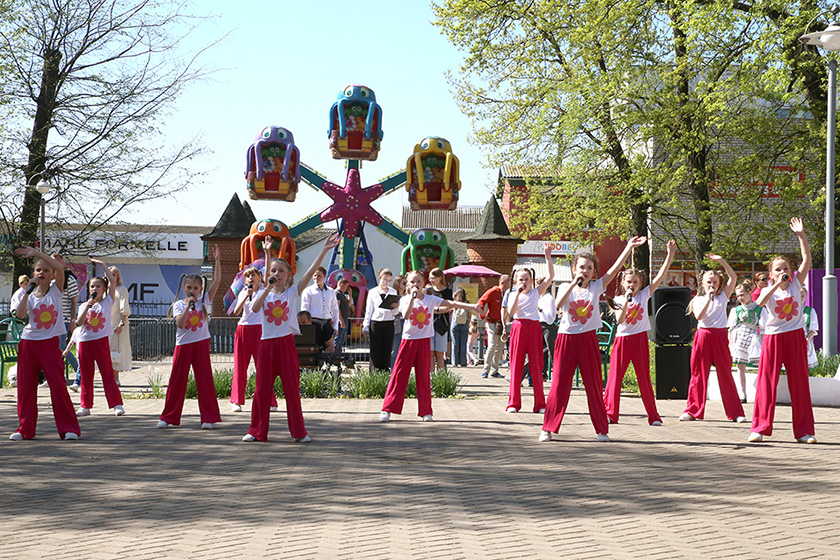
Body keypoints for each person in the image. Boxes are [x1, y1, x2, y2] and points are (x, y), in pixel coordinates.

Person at [540, 237, 646, 443]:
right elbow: (560, 305)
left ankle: (601, 429)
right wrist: (572, 284)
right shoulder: (564, 287)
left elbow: (614, 270)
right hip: (566, 339)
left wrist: (629, 247)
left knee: (594, 385)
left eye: (589, 268)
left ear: (594, 272)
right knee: (559, 385)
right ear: (573, 269)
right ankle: (548, 428)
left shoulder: (597, 286)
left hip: (588, 340)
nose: (585, 271)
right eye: (581, 267)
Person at [243, 233, 340, 442]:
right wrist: (267, 285)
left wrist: (324, 250)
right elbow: (256, 308)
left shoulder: (292, 293)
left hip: (286, 345)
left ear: (288, 275)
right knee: (261, 390)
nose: (276, 274)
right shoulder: (263, 293)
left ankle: (299, 432)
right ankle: (256, 430)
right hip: (266, 346)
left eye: (281, 271)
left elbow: (310, 272)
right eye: (273, 271)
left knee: (291, 390)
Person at [379, 270, 478, 423]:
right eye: (412, 282)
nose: (415, 285)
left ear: (424, 283)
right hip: (408, 341)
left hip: (424, 341)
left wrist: (473, 306)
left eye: (418, 281)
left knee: (424, 377)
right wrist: (412, 297)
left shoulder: (431, 299)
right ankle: (387, 409)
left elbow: (451, 303)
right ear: (407, 284)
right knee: (399, 375)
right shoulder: (404, 300)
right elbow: (405, 315)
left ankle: (426, 411)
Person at [749, 218, 816, 443]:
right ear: (771, 273)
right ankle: (759, 428)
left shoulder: (797, 284)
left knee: (799, 383)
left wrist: (801, 235)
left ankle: (805, 432)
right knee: (766, 383)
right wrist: (777, 284)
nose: (783, 272)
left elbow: (807, 259)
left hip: (796, 337)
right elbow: (759, 303)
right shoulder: (767, 290)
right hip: (773, 338)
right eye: (778, 269)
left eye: (786, 268)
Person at [603, 239, 677, 426]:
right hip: (623, 341)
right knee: (615, 379)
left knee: (644, 378)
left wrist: (670, 255)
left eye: (636, 282)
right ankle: (611, 413)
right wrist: (627, 300)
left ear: (640, 283)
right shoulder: (619, 299)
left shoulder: (644, 294)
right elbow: (620, 320)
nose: (632, 284)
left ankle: (653, 416)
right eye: (629, 281)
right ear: (623, 283)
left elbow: (660, 277)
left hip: (640, 339)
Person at [10, 246, 80, 440]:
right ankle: (24, 429)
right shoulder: (29, 295)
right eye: (38, 270)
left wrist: (37, 254)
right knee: (25, 388)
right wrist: (26, 291)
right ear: (33, 274)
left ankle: (69, 429)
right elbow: (21, 314)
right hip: (28, 344)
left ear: (52, 276)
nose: (42, 273)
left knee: (58, 385)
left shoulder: (57, 291)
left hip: (49, 344)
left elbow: (59, 268)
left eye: (46, 270)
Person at [157, 245, 222, 430]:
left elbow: (217, 282)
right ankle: (168, 417)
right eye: (189, 288)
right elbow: (180, 323)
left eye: (195, 288)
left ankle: (208, 418)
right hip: (183, 345)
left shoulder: (204, 301)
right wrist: (188, 306)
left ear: (200, 289)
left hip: (201, 343)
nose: (192, 290)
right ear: (184, 289)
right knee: (177, 381)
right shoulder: (178, 304)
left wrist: (216, 260)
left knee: (205, 380)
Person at [679, 255, 747, 424]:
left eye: (715, 282)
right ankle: (693, 410)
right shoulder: (698, 299)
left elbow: (734, 277)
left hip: (720, 336)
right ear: (702, 284)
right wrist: (709, 300)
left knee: (725, 374)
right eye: (709, 282)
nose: (712, 285)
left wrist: (722, 261)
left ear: (719, 284)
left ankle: (735, 412)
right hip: (703, 336)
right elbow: (700, 317)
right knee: (698, 374)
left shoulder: (723, 296)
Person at [506, 245, 554, 413]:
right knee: (516, 365)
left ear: (531, 281)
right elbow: (511, 312)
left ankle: (540, 404)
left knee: (536, 365)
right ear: (515, 282)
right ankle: (513, 403)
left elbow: (550, 277)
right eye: (521, 280)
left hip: (534, 328)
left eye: (526, 279)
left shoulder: (536, 293)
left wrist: (548, 258)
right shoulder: (513, 295)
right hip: (518, 327)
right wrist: (518, 294)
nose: (524, 282)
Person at [74, 258, 125, 417]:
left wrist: (102, 265)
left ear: (104, 289)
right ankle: (85, 406)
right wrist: (88, 306)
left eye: (98, 286)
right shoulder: (84, 305)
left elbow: (112, 280)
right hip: (85, 342)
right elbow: (79, 322)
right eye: (92, 286)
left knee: (107, 373)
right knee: (86, 374)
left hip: (100, 341)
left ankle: (116, 404)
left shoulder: (108, 302)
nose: (94, 288)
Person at [230, 267, 276, 413]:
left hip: (259, 330)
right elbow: (236, 311)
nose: (250, 278)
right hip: (243, 329)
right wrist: (245, 296)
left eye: (253, 275)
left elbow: (269, 269)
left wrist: (267, 253)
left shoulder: (264, 292)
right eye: (247, 276)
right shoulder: (243, 292)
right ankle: (236, 401)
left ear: (259, 277)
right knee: (240, 367)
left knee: (263, 367)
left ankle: (269, 400)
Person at [727, 282, 762, 403]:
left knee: (759, 365)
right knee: (740, 366)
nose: (740, 298)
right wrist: (730, 342)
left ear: (749, 293)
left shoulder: (759, 308)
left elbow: (763, 326)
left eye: (742, 294)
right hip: (740, 336)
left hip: (754, 338)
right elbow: (730, 328)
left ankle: (760, 393)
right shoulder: (736, 310)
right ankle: (742, 394)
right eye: (738, 296)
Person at [52, 253, 80, 388]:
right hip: (50, 320)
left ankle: (78, 372)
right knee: (53, 348)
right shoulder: (50, 279)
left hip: (64, 319)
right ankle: (53, 375)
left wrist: (73, 320)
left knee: (61, 347)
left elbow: (74, 301)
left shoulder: (69, 279)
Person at [363, 268, 399, 371]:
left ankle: (385, 371)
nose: (386, 282)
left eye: (389, 280)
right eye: (385, 279)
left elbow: (394, 313)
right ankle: (374, 371)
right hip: (376, 323)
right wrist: (366, 324)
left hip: (389, 323)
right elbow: (369, 310)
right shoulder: (373, 292)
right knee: (375, 349)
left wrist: (396, 307)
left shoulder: (393, 291)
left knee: (387, 348)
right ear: (380, 278)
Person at [477, 275, 510, 379]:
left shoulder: (508, 293)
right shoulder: (493, 291)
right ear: (503, 282)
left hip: (503, 323)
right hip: (492, 322)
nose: (510, 284)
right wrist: (482, 316)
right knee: (492, 345)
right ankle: (485, 370)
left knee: (500, 346)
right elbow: (481, 302)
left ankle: (494, 370)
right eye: (509, 282)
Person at [301, 267, 339, 353]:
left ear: (325, 277)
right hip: (314, 322)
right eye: (314, 276)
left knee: (330, 346)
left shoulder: (331, 291)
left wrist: (336, 326)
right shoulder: (308, 291)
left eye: (319, 276)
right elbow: (304, 309)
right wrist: (306, 326)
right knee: (314, 347)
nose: (316, 278)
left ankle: (325, 363)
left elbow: (335, 309)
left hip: (327, 322)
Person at [108, 266, 132, 386]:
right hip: (105, 324)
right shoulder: (103, 289)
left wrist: (121, 324)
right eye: (108, 274)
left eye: (113, 274)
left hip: (116, 323)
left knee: (115, 351)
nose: (110, 277)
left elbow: (125, 309)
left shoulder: (121, 290)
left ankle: (115, 378)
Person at [428, 268, 453, 371]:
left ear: (439, 278)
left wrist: (434, 309)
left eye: (433, 278)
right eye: (429, 278)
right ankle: (431, 376)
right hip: (429, 324)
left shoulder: (447, 291)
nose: (430, 280)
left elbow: (448, 308)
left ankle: (441, 378)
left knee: (440, 353)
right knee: (430, 353)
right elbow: (425, 306)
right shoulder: (428, 291)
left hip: (442, 324)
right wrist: (438, 309)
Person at [537, 277, 557, 380]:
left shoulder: (549, 299)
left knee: (551, 350)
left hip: (548, 326)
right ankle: (543, 372)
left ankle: (557, 373)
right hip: (540, 325)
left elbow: (551, 315)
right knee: (542, 350)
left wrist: (540, 310)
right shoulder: (540, 298)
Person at [450, 288, 471, 367]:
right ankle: (463, 362)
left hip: (455, 323)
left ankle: (454, 362)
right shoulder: (467, 302)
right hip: (464, 323)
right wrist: (468, 324)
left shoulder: (455, 302)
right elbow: (469, 315)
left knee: (455, 343)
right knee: (463, 343)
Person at [334, 278, 355, 353]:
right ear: (341, 285)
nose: (347, 289)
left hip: (345, 318)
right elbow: (337, 308)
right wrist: (341, 320)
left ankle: (339, 354)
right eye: (346, 287)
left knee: (342, 338)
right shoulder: (337, 294)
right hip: (341, 319)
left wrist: (350, 294)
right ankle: (335, 354)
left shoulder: (342, 294)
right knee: (338, 338)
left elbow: (349, 305)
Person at [390, 275, 407, 367]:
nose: (406, 285)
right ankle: (393, 369)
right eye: (404, 283)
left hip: (406, 322)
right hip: (396, 323)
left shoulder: (407, 296)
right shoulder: (393, 296)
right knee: (395, 348)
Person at [801, 287, 819, 370]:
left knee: (803, 366)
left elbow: (813, 329)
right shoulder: (789, 311)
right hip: (791, 339)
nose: (801, 298)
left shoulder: (810, 311)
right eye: (798, 295)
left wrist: (806, 340)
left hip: (804, 340)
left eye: (803, 296)